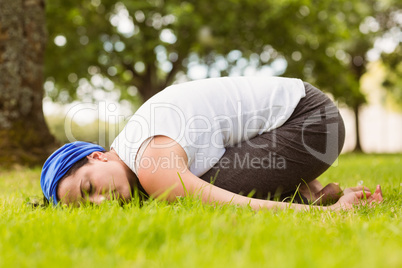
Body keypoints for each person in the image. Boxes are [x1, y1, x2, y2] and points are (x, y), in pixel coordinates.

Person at [40, 76, 383, 211]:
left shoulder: (150, 165)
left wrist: (323, 217)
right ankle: (310, 189)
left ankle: (313, 201)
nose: (101, 202)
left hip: (312, 122)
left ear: (98, 158)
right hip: (305, 114)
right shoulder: (132, 143)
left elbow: (234, 205)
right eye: (88, 206)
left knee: (200, 199)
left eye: (89, 189)